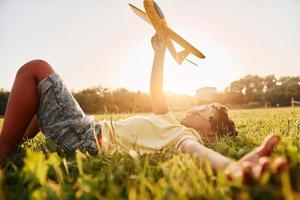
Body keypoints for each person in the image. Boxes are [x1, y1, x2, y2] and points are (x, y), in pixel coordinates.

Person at [0, 34, 286, 181]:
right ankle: (16, 146)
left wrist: (232, 167)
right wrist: (159, 51)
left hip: (88, 139)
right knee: (41, 96)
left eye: (205, 111)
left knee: (36, 69)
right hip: (88, 129)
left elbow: (200, 154)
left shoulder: (184, 138)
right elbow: (156, 89)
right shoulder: (171, 119)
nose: (198, 108)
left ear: (210, 133)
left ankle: (4, 151)